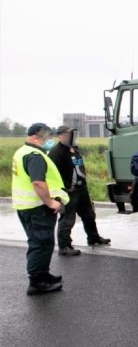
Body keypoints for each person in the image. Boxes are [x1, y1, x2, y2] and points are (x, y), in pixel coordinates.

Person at [11, 123, 69, 295]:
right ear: (38, 135)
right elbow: (37, 181)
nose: (50, 139)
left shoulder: (21, 151)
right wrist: (51, 202)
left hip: (26, 206)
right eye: (48, 136)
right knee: (40, 243)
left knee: (43, 242)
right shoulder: (34, 155)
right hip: (37, 208)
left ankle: (44, 274)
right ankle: (36, 282)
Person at [48, 126, 111, 256]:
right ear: (60, 136)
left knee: (89, 215)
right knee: (68, 219)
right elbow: (53, 174)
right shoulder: (56, 152)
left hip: (81, 188)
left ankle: (93, 238)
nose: (72, 136)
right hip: (69, 191)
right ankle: (64, 246)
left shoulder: (74, 149)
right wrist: (66, 187)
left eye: (73, 134)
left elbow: (79, 167)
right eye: (69, 134)